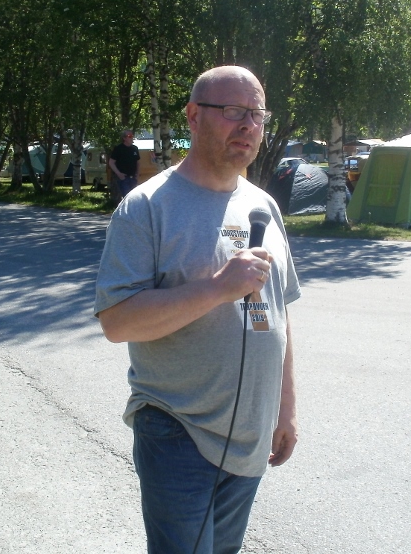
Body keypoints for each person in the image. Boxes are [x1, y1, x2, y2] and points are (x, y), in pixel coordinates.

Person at [94, 66, 300, 554]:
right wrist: (216, 288)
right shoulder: (147, 207)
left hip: (249, 433)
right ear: (192, 115)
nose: (247, 125)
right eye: (232, 111)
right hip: (177, 429)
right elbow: (117, 321)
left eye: (257, 114)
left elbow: (279, 314)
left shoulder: (264, 206)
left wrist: (286, 409)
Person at [109, 129, 141, 198]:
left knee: (135, 198)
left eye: (132, 136)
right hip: (124, 178)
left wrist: (137, 174)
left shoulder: (135, 149)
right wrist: (119, 174)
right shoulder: (118, 149)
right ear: (124, 138)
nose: (132, 137)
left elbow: (138, 163)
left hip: (133, 178)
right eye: (129, 136)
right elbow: (111, 162)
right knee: (127, 198)